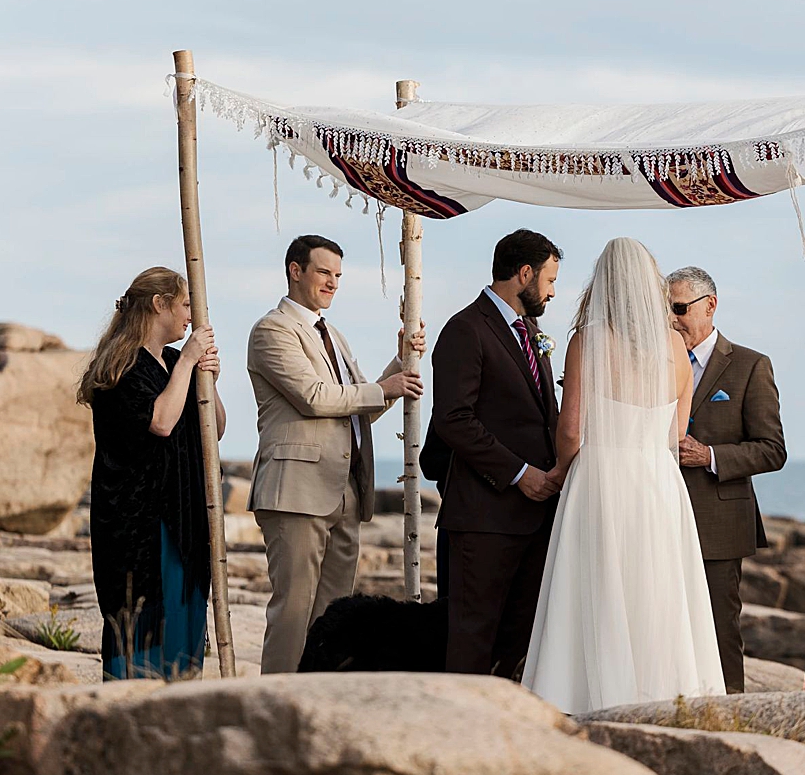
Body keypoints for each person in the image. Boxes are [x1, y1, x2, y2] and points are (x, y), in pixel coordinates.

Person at [523, 238, 725, 712]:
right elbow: (678, 429)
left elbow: (570, 429)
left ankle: (584, 694)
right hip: (657, 479)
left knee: (597, 586)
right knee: (656, 587)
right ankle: (662, 694)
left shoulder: (586, 341)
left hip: (601, 477)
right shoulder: (676, 346)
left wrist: (562, 471)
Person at [246, 235, 423, 673]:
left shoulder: (334, 335)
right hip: (296, 493)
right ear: (295, 270)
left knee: (333, 616)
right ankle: (275, 703)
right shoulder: (272, 330)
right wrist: (383, 387)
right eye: (324, 272)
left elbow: (359, 409)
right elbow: (314, 397)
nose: (333, 283)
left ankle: (316, 700)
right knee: (294, 611)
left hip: (345, 492)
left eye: (339, 275)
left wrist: (400, 364)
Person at [422, 229, 562, 680]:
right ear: (524, 274)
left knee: (516, 641)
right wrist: (521, 473)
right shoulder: (466, 329)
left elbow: (543, 417)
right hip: (484, 517)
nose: (552, 292)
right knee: (471, 640)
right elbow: (454, 420)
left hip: (535, 516)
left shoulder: (530, 331)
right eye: (549, 280)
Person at [78, 267, 227, 680]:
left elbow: (215, 428)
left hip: (184, 511)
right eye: (184, 304)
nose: (191, 315)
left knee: (183, 612)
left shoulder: (178, 360)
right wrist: (188, 366)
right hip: (139, 519)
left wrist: (208, 380)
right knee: (142, 615)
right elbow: (159, 421)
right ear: (159, 304)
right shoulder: (120, 364)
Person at [665, 265, 786, 693]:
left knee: (719, 628)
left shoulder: (751, 366)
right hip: (659, 514)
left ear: (710, 306)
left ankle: (730, 708)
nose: (672, 319)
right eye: (666, 309)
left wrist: (710, 455)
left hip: (718, 524)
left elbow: (773, 449)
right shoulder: (654, 362)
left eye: (679, 308)